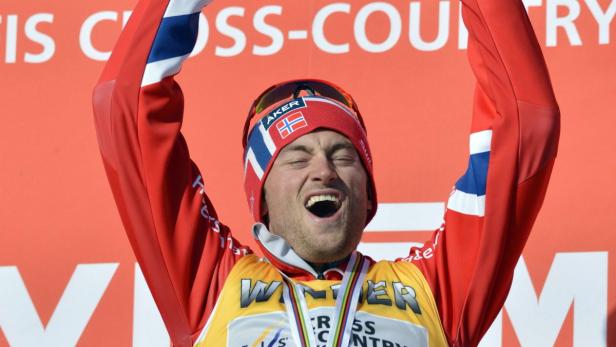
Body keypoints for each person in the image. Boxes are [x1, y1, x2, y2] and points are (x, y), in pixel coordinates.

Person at [92, 0, 560, 345]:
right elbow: (128, 103)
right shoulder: (210, 287)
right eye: (296, 159)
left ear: (369, 195)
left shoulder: (437, 294)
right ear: (264, 202)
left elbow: (524, 123)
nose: (324, 171)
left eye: (343, 155)